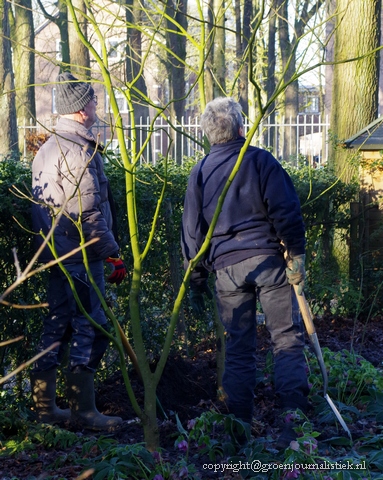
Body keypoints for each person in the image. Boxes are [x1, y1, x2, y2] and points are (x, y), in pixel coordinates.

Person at [181, 97, 309, 448]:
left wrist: (196, 279)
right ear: (241, 127)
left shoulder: (201, 171)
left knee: (238, 349)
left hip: (226, 271)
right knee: (285, 338)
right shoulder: (259, 160)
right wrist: (295, 253)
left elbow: (192, 231)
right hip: (268, 263)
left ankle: (239, 429)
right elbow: (286, 209)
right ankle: (293, 425)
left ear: (210, 134)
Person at [30, 72, 127, 430]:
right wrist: (112, 253)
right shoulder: (77, 151)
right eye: (92, 100)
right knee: (93, 326)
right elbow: (88, 211)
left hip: (56, 255)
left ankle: (45, 409)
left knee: (56, 324)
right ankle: (83, 411)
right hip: (82, 255)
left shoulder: (49, 148)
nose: (96, 105)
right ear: (81, 109)